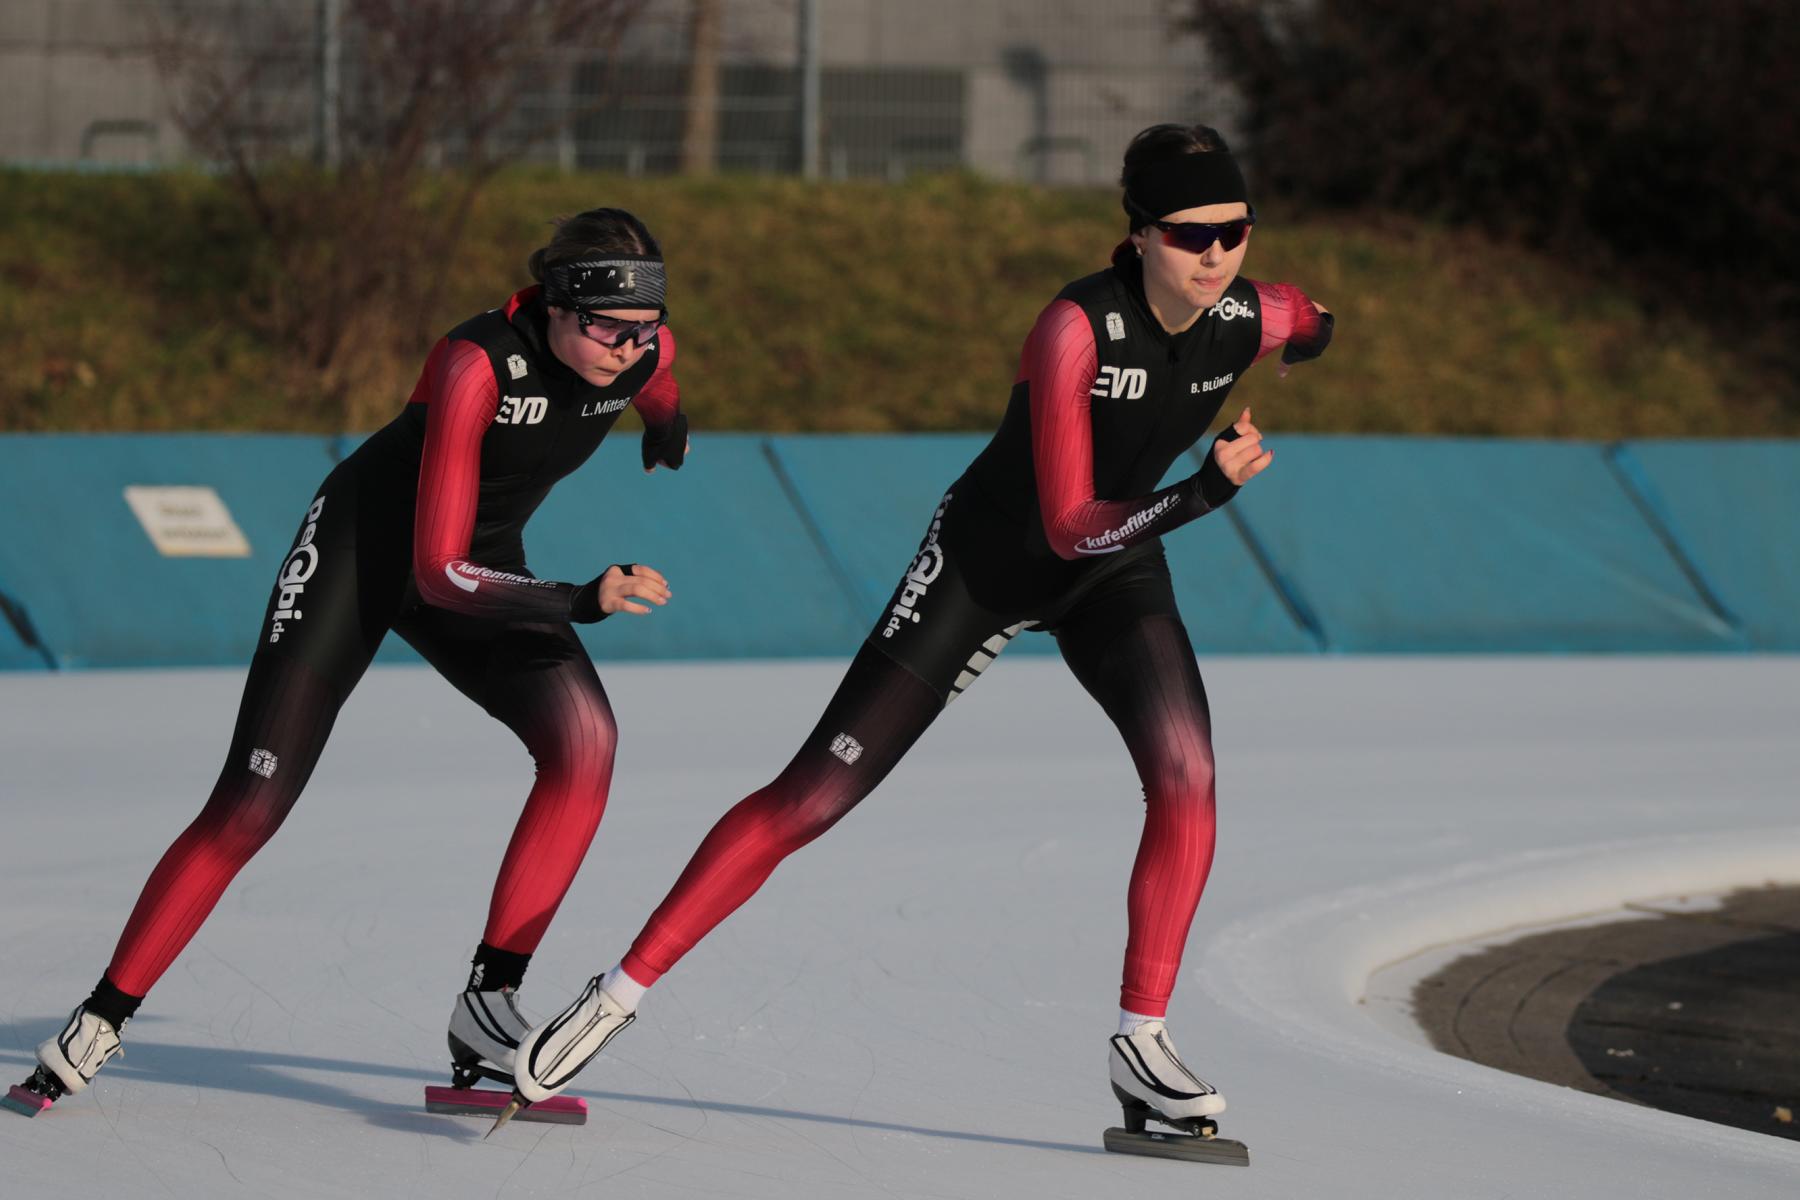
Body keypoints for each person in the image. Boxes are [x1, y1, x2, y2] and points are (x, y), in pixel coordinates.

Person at [505, 124, 1334, 1141]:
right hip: (991, 564)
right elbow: (1068, 524)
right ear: (1138, 234)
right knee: (812, 797)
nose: (1216, 256)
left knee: (1189, 775)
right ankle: (617, 994)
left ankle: (1142, 1042)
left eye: (1235, 232)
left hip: (1117, 566)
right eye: (1189, 234)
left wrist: (1310, 341)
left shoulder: (1250, 310)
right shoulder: (1076, 327)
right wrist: (1201, 494)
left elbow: (1309, 316)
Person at [5, 207, 691, 1116]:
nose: (628, 348)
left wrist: (665, 428)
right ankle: (100, 1016)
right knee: (251, 804)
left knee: (586, 743)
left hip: (481, 564)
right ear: (557, 304)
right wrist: (577, 600)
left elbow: (658, 383)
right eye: (609, 329)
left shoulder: (639, 348)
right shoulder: (476, 363)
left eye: (644, 328)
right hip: (364, 560)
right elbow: (437, 574)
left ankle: (489, 1002)